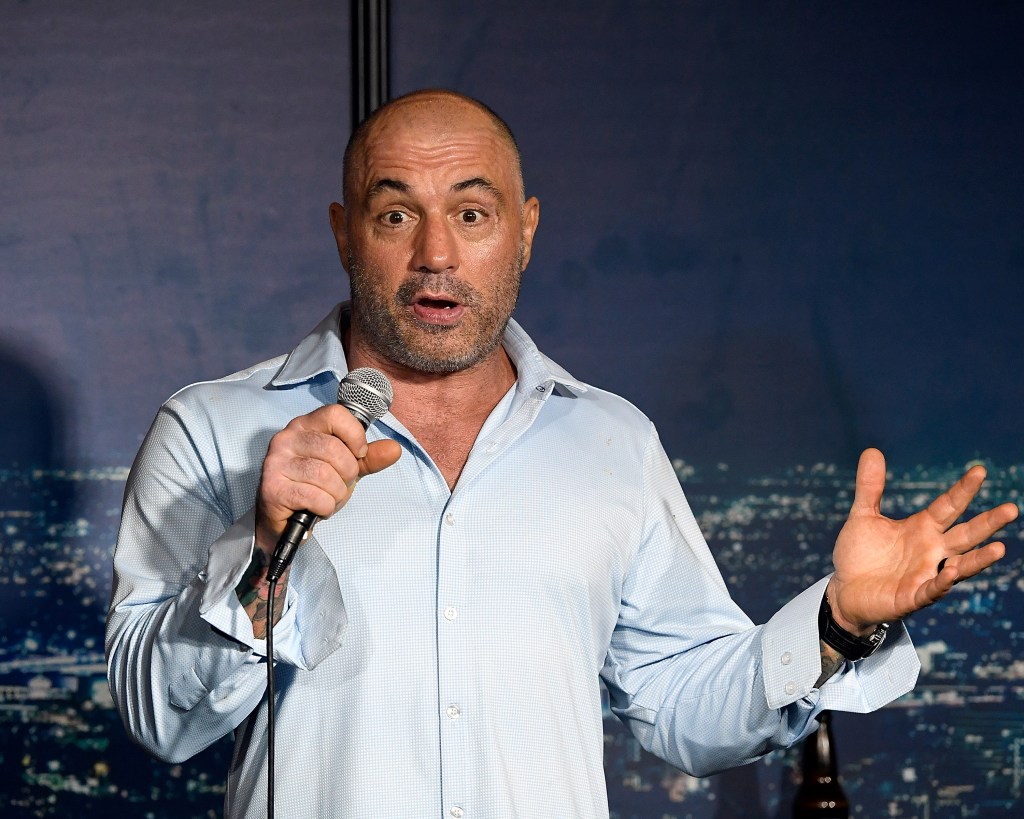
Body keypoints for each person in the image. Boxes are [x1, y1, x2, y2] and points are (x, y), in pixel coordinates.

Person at [105, 89, 1018, 819]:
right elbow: (158, 718)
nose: (435, 255)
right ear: (345, 233)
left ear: (527, 231)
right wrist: (265, 552)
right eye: (395, 218)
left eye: (471, 213)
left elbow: (681, 701)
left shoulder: (611, 440)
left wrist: (835, 624)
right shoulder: (212, 429)